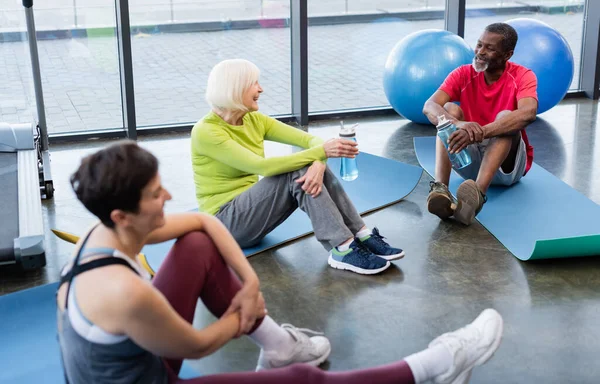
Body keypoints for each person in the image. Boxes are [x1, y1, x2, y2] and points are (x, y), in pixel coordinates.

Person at [57, 141, 505, 384]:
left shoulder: (105, 234)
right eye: (157, 194)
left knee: (194, 243)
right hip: (158, 371)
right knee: (304, 381)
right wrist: (240, 319)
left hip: (142, 363)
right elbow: (193, 347)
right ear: (122, 214)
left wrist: (250, 285)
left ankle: (278, 344)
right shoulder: (123, 293)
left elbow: (201, 224)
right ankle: (438, 365)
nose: (168, 196)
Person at [190, 59, 404, 275]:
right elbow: (262, 166)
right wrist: (321, 154)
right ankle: (343, 247)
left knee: (307, 166)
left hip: (252, 216)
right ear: (235, 87)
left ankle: (361, 235)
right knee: (297, 170)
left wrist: (319, 163)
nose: (261, 89)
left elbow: (313, 142)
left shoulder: (255, 120)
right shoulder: (206, 132)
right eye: (254, 83)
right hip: (225, 224)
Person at [422, 22, 538, 225]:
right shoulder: (463, 73)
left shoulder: (522, 75)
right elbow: (429, 105)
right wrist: (458, 124)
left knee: (506, 118)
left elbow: (528, 112)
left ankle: (477, 195)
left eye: (490, 48)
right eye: (479, 45)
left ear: (507, 55)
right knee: (448, 109)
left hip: (507, 168)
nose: (480, 52)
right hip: (468, 161)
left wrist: (481, 132)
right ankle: (441, 189)